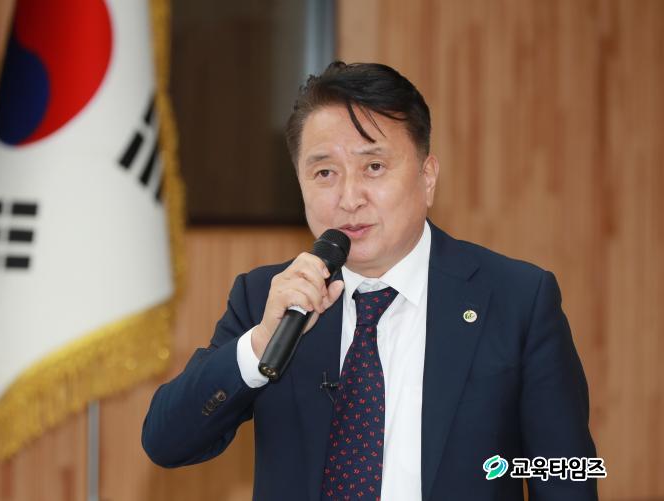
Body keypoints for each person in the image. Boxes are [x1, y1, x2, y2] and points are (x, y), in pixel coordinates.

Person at [142, 62, 598, 500]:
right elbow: (165, 441)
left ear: (427, 177)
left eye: (374, 167)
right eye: (325, 173)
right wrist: (260, 345)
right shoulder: (269, 300)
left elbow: (567, 476)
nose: (349, 198)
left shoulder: (517, 300)